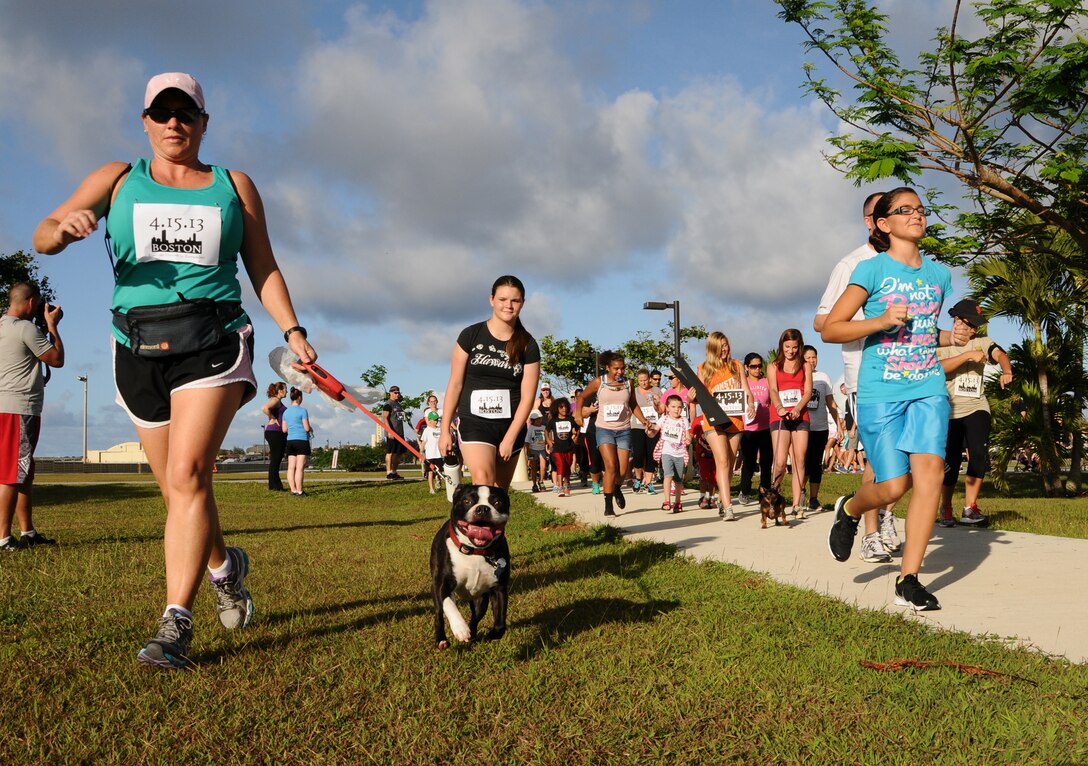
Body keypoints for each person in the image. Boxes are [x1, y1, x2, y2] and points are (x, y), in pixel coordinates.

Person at [33, 72, 317, 668]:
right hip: (134, 342)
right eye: (161, 113)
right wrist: (62, 231)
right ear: (144, 122)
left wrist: (293, 331)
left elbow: (262, 264)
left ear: (204, 123)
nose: (173, 124)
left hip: (213, 337)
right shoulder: (116, 179)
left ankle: (175, 624)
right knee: (178, 491)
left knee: (190, 473)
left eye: (185, 113)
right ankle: (224, 566)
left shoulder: (231, 185)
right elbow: (43, 233)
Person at [822, 186, 953, 611]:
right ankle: (850, 510)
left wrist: (955, 338)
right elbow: (831, 328)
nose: (916, 215)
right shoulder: (871, 270)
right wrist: (878, 321)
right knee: (894, 485)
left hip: (927, 385)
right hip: (881, 389)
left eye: (919, 208)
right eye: (904, 210)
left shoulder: (939, 275)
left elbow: (925, 332)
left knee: (929, 472)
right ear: (883, 223)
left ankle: (909, 578)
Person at [813, 192, 898, 558]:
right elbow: (822, 322)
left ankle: (883, 513)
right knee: (879, 459)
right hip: (866, 374)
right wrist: (874, 322)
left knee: (905, 459)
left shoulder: (905, 263)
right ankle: (869, 534)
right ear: (871, 221)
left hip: (906, 373)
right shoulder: (852, 264)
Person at [439, 275, 540, 489]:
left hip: (510, 426)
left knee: (498, 495)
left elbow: (528, 397)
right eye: (503, 299)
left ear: (522, 303)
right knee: (483, 481)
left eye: (515, 300)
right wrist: (445, 428)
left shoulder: (528, 344)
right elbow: (455, 384)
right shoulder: (470, 335)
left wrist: (510, 437)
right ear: (491, 300)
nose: (508, 305)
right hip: (475, 422)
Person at [937, 299, 1013, 527]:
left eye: (975, 326)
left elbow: (999, 354)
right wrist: (966, 356)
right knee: (950, 462)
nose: (973, 330)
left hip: (977, 405)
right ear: (957, 321)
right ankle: (946, 507)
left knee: (978, 454)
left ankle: (969, 509)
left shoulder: (982, 341)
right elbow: (937, 368)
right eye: (970, 324)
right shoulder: (942, 342)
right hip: (950, 410)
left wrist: (1006, 370)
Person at [0, 282, 63, 551]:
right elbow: (56, 359)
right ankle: (3, 538)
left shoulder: (2, 326)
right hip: (19, 408)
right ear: (29, 303)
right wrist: (52, 326)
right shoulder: (26, 329)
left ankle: (28, 532)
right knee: (12, 474)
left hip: (6, 406)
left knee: (23, 472)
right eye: (37, 305)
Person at [576, 352, 651, 516]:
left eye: (622, 368)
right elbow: (581, 397)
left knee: (623, 471)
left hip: (624, 430)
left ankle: (617, 488)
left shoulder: (628, 383)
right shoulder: (599, 382)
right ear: (608, 368)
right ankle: (608, 506)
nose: (620, 372)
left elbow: (633, 404)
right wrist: (578, 414)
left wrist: (644, 420)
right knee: (610, 467)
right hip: (604, 430)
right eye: (616, 369)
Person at [696, 332, 755, 521]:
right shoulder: (703, 368)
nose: (725, 349)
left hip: (735, 420)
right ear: (712, 348)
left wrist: (751, 404)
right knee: (721, 461)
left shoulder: (736, 365)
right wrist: (692, 397)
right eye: (721, 346)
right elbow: (699, 396)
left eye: (726, 345)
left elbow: (746, 389)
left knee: (729, 464)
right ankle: (729, 507)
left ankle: (723, 498)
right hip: (713, 420)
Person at [767, 329, 812, 518]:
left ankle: (796, 504)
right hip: (779, 416)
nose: (791, 351)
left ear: (799, 346)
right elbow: (773, 390)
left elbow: (808, 391)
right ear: (782, 346)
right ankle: (773, 499)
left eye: (794, 347)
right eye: (787, 347)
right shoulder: (773, 366)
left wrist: (798, 408)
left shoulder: (805, 365)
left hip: (800, 416)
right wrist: (779, 408)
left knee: (799, 459)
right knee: (779, 462)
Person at [802, 345, 841, 515]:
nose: (811, 361)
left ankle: (813, 498)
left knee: (816, 464)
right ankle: (800, 492)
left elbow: (831, 403)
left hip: (820, 427)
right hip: (802, 427)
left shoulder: (823, 377)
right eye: (808, 358)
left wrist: (838, 424)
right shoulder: (798, 376)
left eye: (814, 357)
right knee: (802, 462)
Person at [738, 353, 772, 506]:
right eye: (753, 366)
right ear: (746, 367)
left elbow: (772, 400)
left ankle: (764, 493)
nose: (757, 369)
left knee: (766, 462)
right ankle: (744, 490)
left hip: (766, 427)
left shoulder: (766, 382)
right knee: (749, 462)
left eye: (759, 365)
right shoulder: (741, 383)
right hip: (748, 429)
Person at [653, 394, 691, 513]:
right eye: (673, 406)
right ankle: (667, 501)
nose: (676, 409)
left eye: (679, 407)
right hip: (666, 452)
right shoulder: (663, 419)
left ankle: (678, 502)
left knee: (679, 480)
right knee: (668, 475)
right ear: (667, 408)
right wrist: (649, 429)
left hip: (680, 453)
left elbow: (688, 436)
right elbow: (654, 432)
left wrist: (688, 440)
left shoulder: (684, 421)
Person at [630, 369, 661, 495]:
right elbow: (631, 408)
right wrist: (642, 420)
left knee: (651, 455)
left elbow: (661, 408)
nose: (643, 383)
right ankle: (638, 478)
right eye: (640, 381)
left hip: (653, 427)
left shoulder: (656, 390)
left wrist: (655, 400)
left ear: (649, 379)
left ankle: (649, 483)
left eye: (645, 380)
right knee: (638, 454)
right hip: (637, 426)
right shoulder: (634, 392)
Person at [545, 397, 580, 497]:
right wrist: (549, 441)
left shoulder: (570, 419)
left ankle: (567, 484)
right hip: (557, 449)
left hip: (569, 447)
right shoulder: (553, 421)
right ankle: (560, 486)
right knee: (560, 465)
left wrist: (576, 437)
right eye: (561, 407)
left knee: (567, 467)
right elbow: (546, 431)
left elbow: (578, 428)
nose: (564, 409)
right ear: (557, 409)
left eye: (565, 407)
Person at [282, 387, 312, 496]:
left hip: (290, 440)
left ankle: (293, 490)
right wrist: (311, 428)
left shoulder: (286, 412)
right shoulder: (303, 411)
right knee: (299, 467)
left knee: (291, 467)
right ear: (299, 397)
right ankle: (300, 490)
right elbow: (307, 428)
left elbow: (284, 429)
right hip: (302, 440)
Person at [261, 381, 288, 492]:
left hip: (275, 432)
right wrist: (273, 418)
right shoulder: (275, 400)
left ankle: (274, 485)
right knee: (276, 460)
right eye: (285, 389)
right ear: (280, 390)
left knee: (276, 459)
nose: (286, 391)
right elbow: (264, 408)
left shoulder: (277, 401)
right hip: (275, 432)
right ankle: (275, 486)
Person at [691, 415, 718, 509]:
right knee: (703, 476)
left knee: (714, 477)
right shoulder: (698, 420)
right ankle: (702, 497)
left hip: (715, 453)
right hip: (702, 454)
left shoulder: (717, 417)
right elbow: (691, 434)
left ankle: (712, 497)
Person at [383, 386, 409, 480]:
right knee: (390, 452)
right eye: (395, 393)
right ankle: (388, 472)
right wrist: (389, 431)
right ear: (390, 393)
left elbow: (400, 417)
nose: (397, 394)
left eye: (398, 392)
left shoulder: (398, 404)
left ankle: (394, 472)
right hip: (392, 433)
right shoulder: (388, 404)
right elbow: (385, 418)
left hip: (400, 432)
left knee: (400, 453)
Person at [420, 411, 444, 495]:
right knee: (430, 472)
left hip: (439, 454)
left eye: (437, 420)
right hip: (430, 455)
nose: (436, 421)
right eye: (434, 420)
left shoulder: (439, 429)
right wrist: (421, 451)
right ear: (429, 420)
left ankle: (438, 481)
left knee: (439, 471)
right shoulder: (427, 430)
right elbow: (423, 442)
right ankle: (431, 488)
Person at [525, 409, 548, 492]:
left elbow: (547, 438)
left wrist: (547, 446)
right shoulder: (531, 428)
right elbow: (527, 441)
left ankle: (541, 481)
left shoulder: (544, 428)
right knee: (534, 467)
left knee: (543, 466)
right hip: (532, 450)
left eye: (539, 419)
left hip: (542, 449)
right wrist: (527, 452)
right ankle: (534, 484)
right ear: (532, 420)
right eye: (536, 419)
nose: (538, 421)